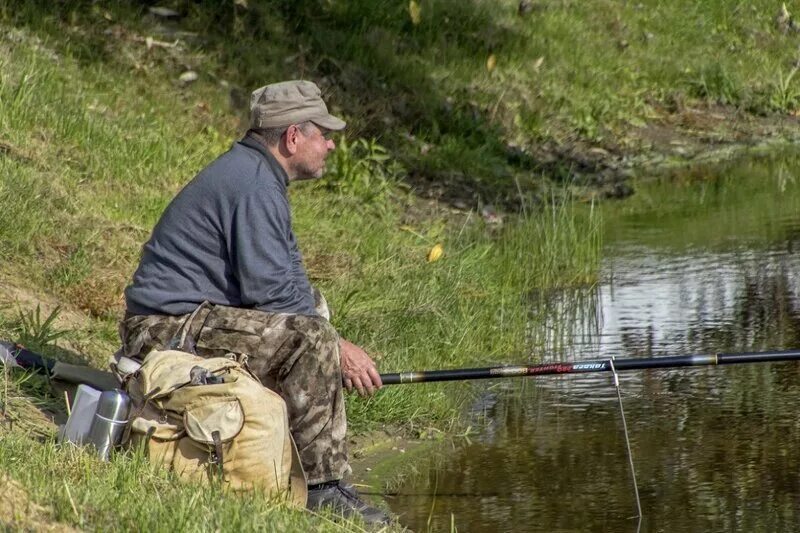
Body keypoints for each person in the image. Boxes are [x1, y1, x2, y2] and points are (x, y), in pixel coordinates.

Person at [119, 80, 387, 524]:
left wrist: (324, 330)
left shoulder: (258, 174)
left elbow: (291, 280)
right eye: (323, 132)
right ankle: (321, 487)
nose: (332, 144)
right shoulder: (254, 183)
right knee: (311, 338)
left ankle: (313, 467)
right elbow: (272, 295)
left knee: (314, 319)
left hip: (192, 316)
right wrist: (338, 350)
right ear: (293, 137)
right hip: (165, 327)